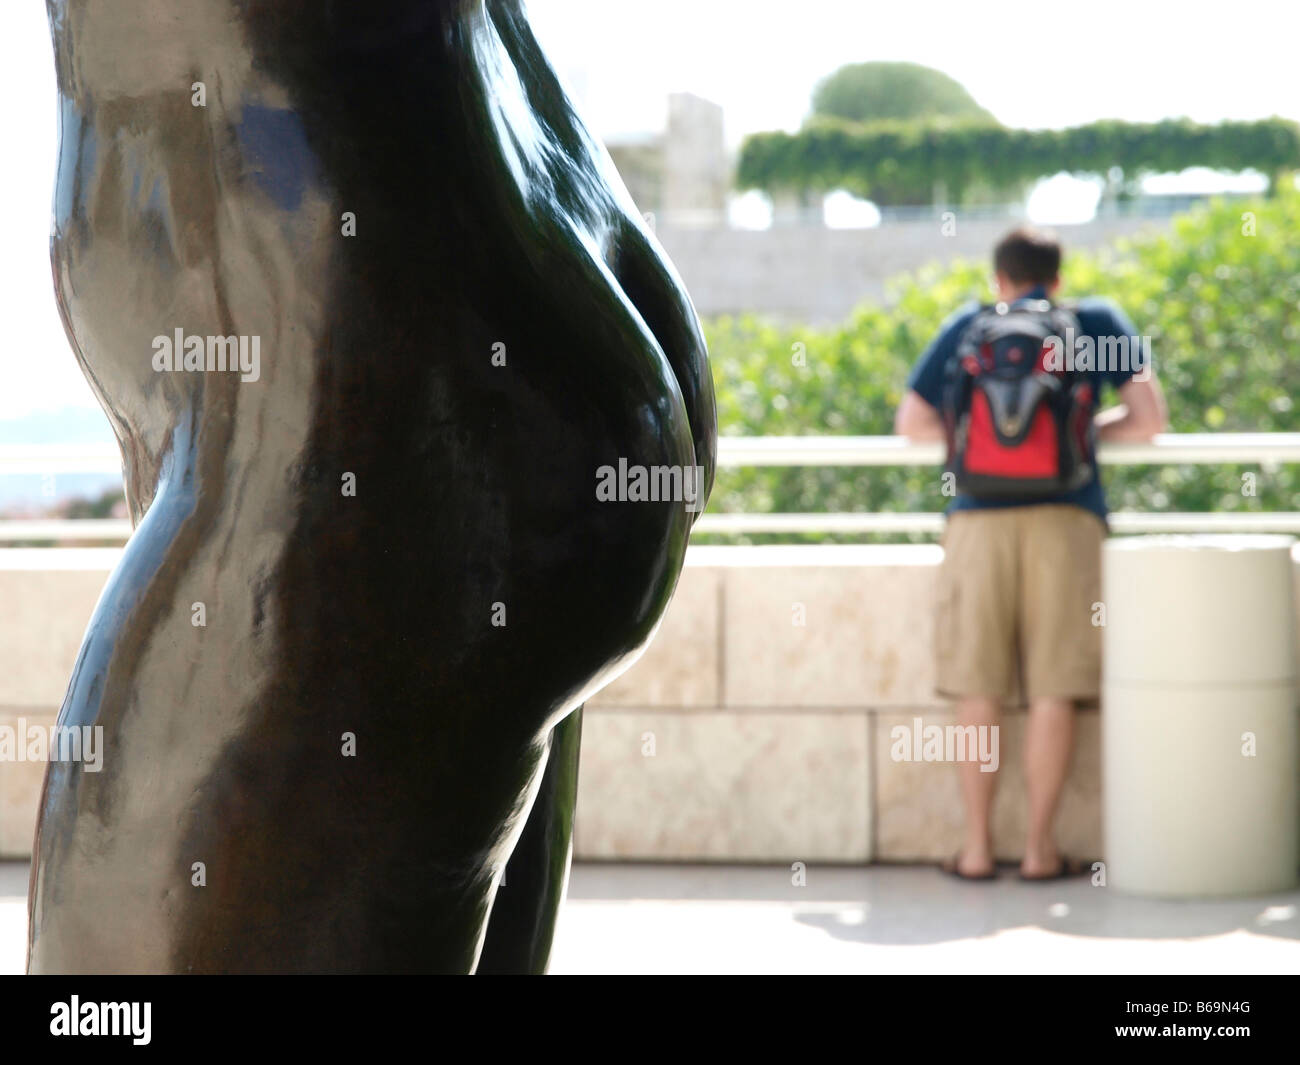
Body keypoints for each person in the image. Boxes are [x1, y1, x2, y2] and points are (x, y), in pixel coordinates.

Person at [894, 226, 1167, 880]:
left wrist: (978, 450)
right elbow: (1150, 419)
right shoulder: (1093, 319)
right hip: (1067, 519)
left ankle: (977, 848)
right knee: (1053, 687)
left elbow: (912, 423)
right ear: (1058, 277)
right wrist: (1082, 438)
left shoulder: (970, 324)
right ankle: (1042, 850)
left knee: (975, 686)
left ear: (1000, 279)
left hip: (976, 522)